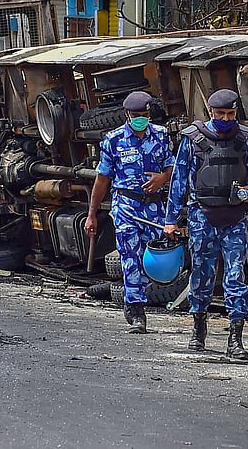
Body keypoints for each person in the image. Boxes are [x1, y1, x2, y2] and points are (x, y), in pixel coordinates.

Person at [164, 89, 248, 360]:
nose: (225, 118)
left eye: (230, 114)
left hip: (234, 219)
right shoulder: (193, 139)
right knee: (201, 275)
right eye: (220, 113)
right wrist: (170, 221)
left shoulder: (246, 139)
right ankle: (198, 329)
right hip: (202, 217)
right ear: (210, 112)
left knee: (235, 278)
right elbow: (178, 180)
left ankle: (235, 340)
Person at [85, 91, 174, 334]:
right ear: (127, 114)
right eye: (136, 116)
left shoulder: (161, 135)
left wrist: (162, 178)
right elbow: (103, 179)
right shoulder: (113, 140)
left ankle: (137, 296)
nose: (141, 120)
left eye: (145, 116)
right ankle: (136, 311)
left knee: (154, 259)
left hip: (154, 207)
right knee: (130, 257)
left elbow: (172, 167)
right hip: (126, 206)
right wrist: (92, 213)